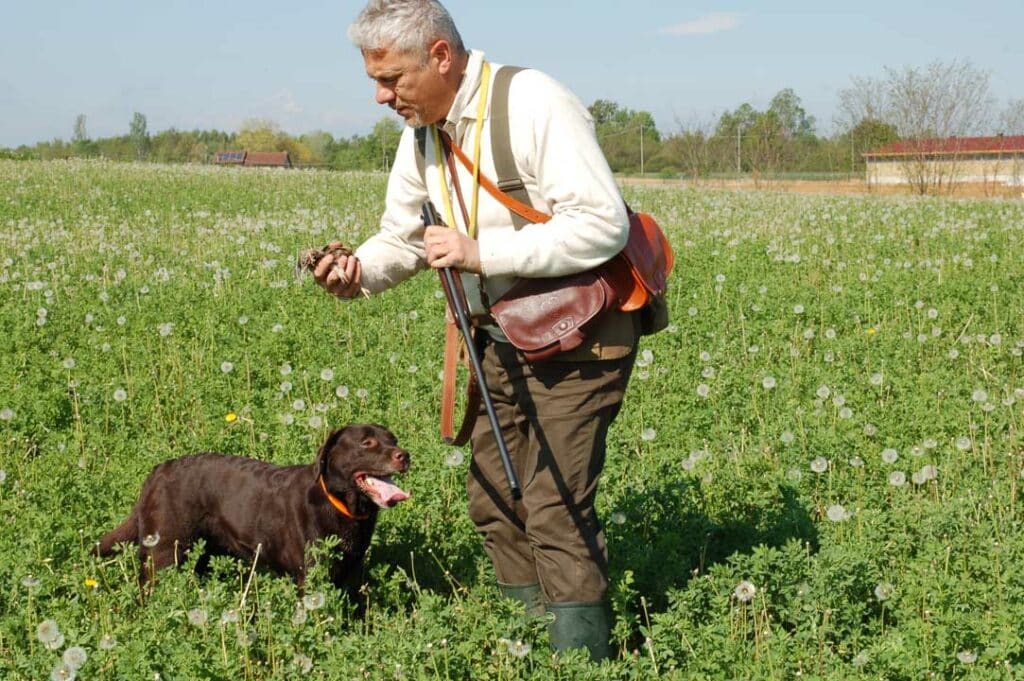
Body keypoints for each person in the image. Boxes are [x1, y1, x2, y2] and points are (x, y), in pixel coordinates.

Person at [315, 0, 637, 661]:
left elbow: (605, 224)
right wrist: (359, 272)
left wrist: (482, 252)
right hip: (502, 337)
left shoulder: (533, 103)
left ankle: (579, 661)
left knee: (554, 506)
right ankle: (528, 645)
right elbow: (405, 240)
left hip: (582, 335)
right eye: (375, 80)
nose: (381, 96)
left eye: (392, 78)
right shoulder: (423, 133)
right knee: (494, 497)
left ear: (441, 56)